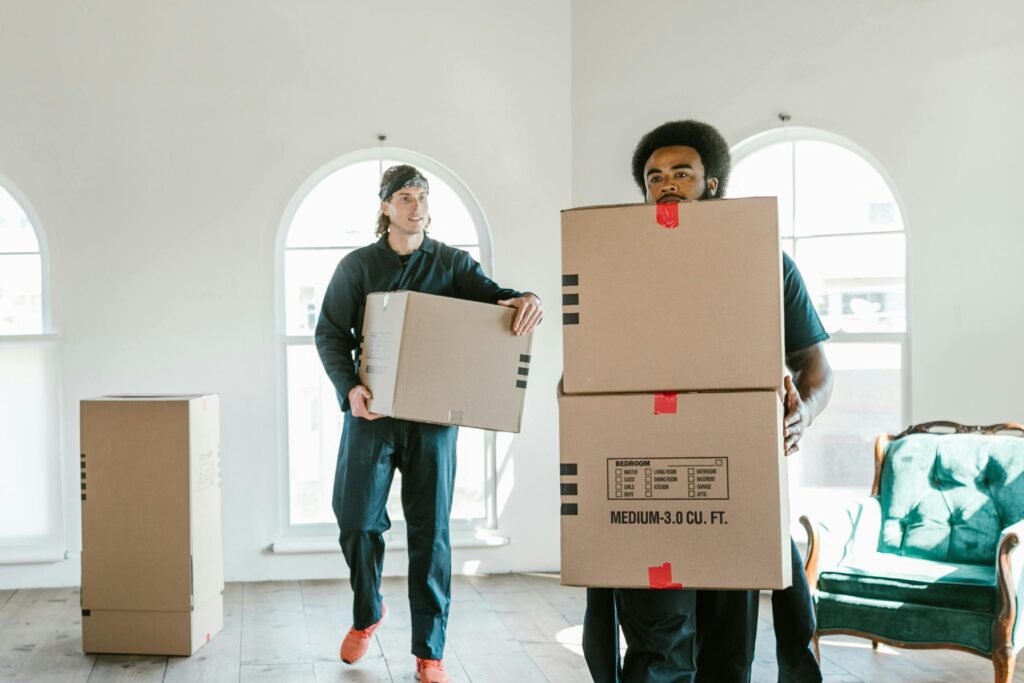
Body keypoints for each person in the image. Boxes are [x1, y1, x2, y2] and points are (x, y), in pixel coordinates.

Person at [582, 120, 834, 683]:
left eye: (681, 173)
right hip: (643, 479)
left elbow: (816, 368)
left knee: (727, 655)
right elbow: (588, 367)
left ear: (712, 184)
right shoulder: (613, 266)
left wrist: (802, 414)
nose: (666, 184)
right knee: (656, 650)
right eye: (654, 177)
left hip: (733, 483)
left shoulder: (767, 262)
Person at [315, 164, 542, 683]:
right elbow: (330, 333)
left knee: (431, 533)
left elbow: (497, 298)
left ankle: (429, 651)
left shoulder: (453, 263)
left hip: (433, 420)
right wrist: (349, 389)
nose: (416, 206)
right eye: (404, 197)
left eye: (422, 197)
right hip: (371, 415)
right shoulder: (356, 267)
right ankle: (368, 612)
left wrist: (531, 299)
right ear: (384, 206)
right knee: (356, 520)